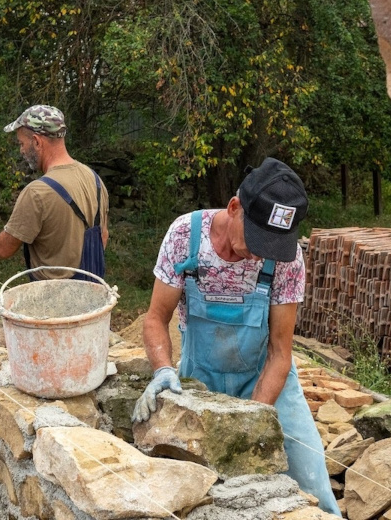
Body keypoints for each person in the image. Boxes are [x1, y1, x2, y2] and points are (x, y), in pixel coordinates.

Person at [131, 157, 342, 516]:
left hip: (266, 377)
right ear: (234, 208)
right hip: (200, 378)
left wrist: (252, 418)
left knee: (312, 483)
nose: (263, 252)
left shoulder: (287, 260)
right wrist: (163, 369)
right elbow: (155, 318)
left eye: (273, 244)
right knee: (201, 491)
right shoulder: (186, 236)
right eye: (258, 239)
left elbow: (280, 352)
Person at [0, 105, 109, 281]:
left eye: (21, 143)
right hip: (95, 300)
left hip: (51, 303)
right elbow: (103, 236)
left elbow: (3, 249)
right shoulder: (95, 179)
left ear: (36, 141)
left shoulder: (37, 193)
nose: (21, 150)